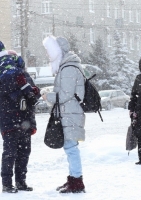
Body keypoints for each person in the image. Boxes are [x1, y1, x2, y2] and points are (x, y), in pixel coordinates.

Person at [0, 40, 40, 193]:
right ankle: (7, 184)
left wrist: (33, 92)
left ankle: (21, 181)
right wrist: (19, 84)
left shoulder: (23, 74)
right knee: (10, 153)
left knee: (24, 152)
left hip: (25, 119)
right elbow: (1, 90)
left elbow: (34, 89)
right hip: (9, 119)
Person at [42, 35, 86, 193]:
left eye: (49, 51)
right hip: (69, 112)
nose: (48, 54)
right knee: (70, 147)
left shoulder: (68, 68)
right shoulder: (66, 66)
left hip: (70, 113)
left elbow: (66, 94)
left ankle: (77, 182)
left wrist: (48, 96)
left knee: (71, 148)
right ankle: (74, 179)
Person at [0, 40, 38, 107]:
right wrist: (20, 68)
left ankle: (19, 98)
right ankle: (31, 96)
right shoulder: (11, 56)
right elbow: (21, 62)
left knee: (12, 91)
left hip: (5, 77)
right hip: (18, 73)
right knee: (24, 85)